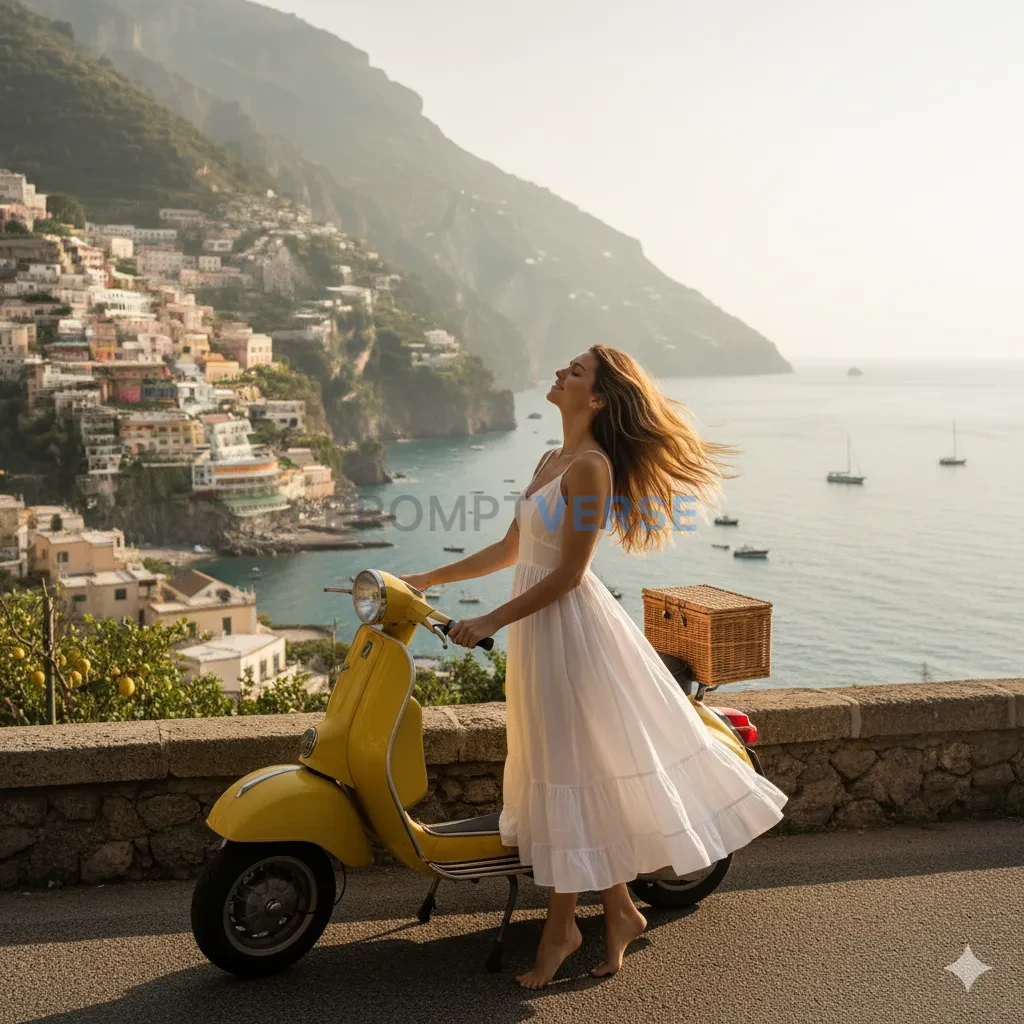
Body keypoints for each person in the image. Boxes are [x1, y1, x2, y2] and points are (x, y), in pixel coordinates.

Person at [401, 345, 788, 988]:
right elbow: (511, 548)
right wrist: (428, 577)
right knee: (575, 771)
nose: (559, 373)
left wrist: (493, 619)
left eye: (575, 372)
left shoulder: (591, 468)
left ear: (599, 398)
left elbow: (572, 573)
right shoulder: (549, 459)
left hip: (569, 633)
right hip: (540, 635)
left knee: (566, 772)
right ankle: (621, 912)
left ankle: (561, 929)